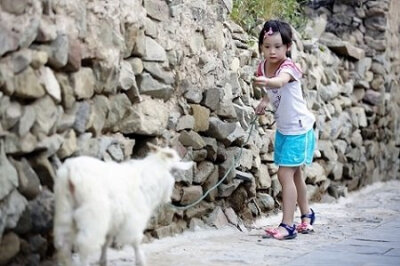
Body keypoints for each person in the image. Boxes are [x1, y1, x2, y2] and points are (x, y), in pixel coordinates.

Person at [253, 20, 316, 240]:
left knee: (284, 174)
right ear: (261, 45)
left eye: (278, 46)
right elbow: (270, 91)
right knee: (295, 174)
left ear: (288, 46)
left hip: (299, 129)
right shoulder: (262, 67)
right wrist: (263, 101)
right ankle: (307, 215)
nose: (272, 51)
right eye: (267, 45)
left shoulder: (288, 67)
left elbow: (279, 82)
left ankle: (287, 225)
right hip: (284, 130)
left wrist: (266, 83)